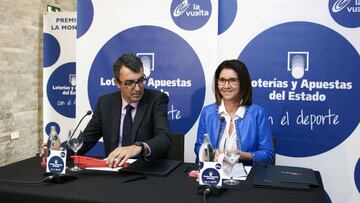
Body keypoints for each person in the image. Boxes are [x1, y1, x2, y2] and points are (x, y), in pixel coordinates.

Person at [40, 53, 171, 168]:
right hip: (113, 171)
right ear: (117, 83)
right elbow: (87, 140)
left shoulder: (157, 99)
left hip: (147, 172)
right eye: (130, 83)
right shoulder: (106, 103)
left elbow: (164, 138)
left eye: (141, 80)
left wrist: (138, 147)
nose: (137, 88)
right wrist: (60, 151)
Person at [194, 59, 274, 166]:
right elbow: (198, 146)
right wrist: (211, 153)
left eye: (232, 80)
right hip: (215, 175)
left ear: (243, 83)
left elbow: (268, 154)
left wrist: (242, 155)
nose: (226, 86)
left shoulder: (258, 113)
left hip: (246, 177)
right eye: (222, 80)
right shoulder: (207, 112)